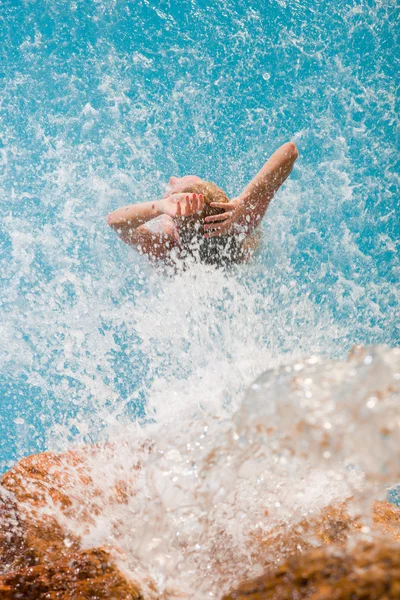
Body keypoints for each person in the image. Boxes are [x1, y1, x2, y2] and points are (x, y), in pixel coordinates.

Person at [107, 141, 298, 267]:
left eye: (173, 190)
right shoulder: (241, 225)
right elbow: (289, 151)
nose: (172, 179)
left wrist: (160, 207)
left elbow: (115, 221)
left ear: (176, 222)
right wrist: (244, 201)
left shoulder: (168, 248)